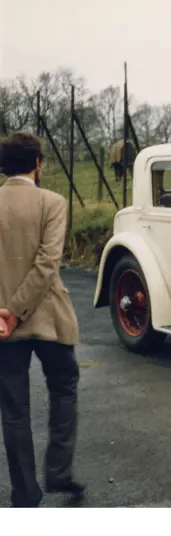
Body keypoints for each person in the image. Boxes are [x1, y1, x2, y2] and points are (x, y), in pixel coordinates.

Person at [0, 132, 85, 507]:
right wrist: (17, 310)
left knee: (14, 409)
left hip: (3, 327)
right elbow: (48, 263)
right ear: (37, 164)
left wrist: (7, 313)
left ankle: (25, 493)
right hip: (49, 320)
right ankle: (59, 471)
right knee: (64, 385)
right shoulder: (53, 202)